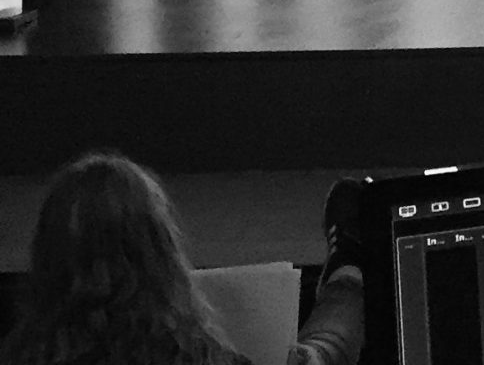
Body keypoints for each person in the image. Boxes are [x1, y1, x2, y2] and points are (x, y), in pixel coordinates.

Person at [0, 151, 364, 365]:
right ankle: (351, 267)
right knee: (327, 338)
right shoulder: (192, 355)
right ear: (159, 254)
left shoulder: (21, 354)